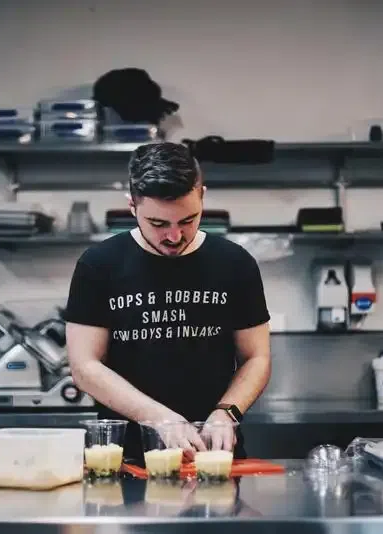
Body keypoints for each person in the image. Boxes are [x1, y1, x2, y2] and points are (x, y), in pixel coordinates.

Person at [62, 141, 271, 463]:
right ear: (132, 206)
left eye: (188, 220)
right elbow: (85, 366)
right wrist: (158, 418)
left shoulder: (235, 263)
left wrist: (226, 412)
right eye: (158, 224)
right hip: (125, 459)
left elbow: (256, 357)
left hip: (213, 455)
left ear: (202, 195)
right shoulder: (99, 265)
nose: (174, 236)